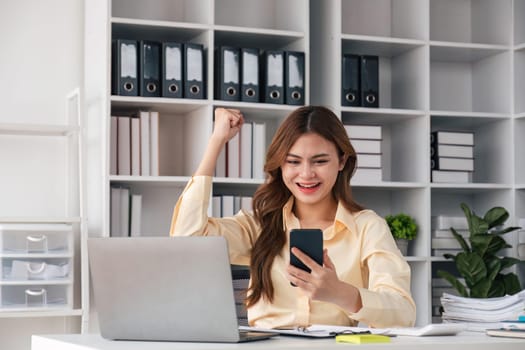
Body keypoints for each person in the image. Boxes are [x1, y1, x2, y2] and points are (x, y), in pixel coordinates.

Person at [169, 105, 416, 329]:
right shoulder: (258, 225)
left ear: (342, 161)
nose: (306, 174)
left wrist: (340, 293)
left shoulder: (367, 227)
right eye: (293, 162)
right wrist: (217, 140)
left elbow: (403, 312)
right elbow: (187, 238)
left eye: (319, 161)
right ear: (280, 165)